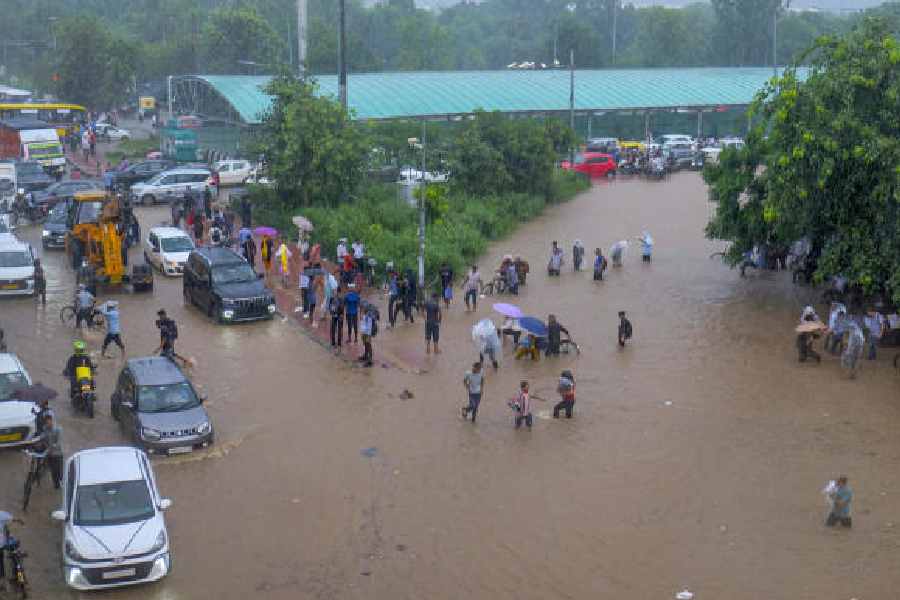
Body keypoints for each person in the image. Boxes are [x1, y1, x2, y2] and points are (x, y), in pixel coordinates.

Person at [38, 414, 63, 489]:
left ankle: (60, 481)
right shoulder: (45, 429)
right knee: (53, 471)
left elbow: (59, 442)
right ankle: (56, 485)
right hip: (49, 454)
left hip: (57, 454)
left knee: (59, 472)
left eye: (49, 422)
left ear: (52, 420)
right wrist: (37, 440)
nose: (48, 423)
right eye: (46, 422)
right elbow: (42, 437)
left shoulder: (58, 429)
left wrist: (51, 447)